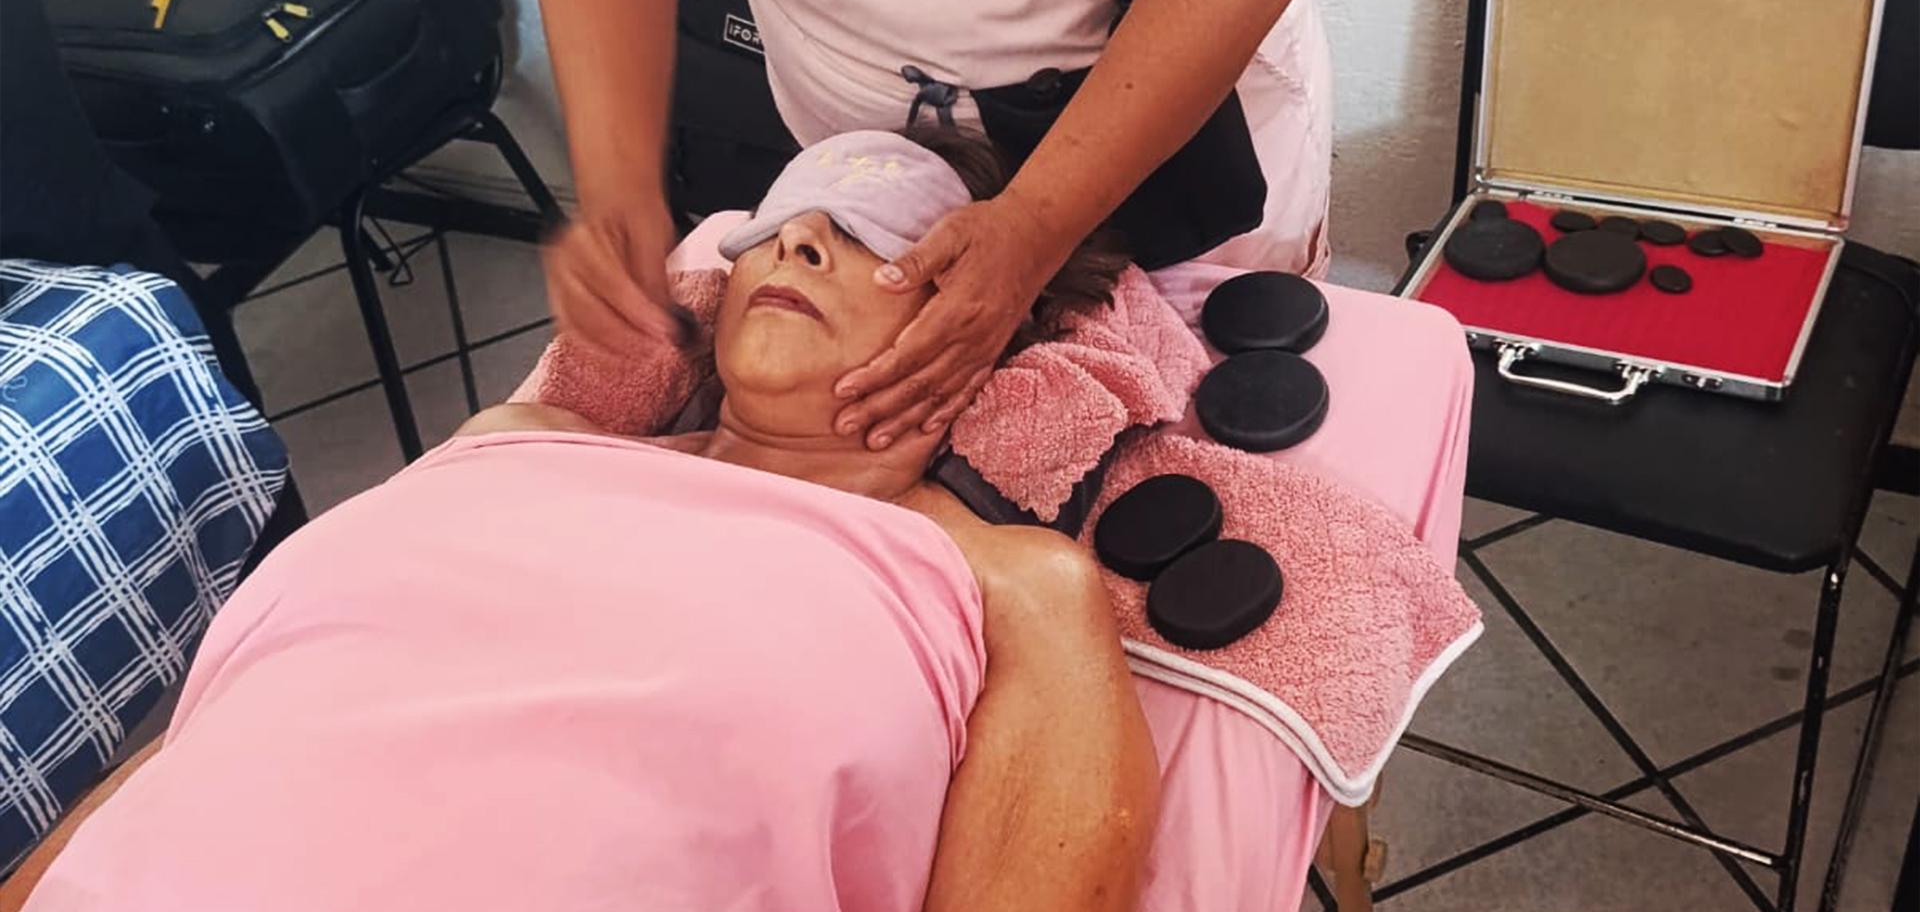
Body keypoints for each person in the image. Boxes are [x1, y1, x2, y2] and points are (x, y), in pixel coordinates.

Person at [9, 130, 1343, 911]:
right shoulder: (518, 442)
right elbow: (221, 733)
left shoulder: (996, 576)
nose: (799, 245)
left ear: (989, 331)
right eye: (782, 225)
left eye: (882, 239)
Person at [535, 0, 1344, 452]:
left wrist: (1038, 220)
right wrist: (617, 188)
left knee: (1201, 423)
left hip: (1170, 126)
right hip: (855, 123)